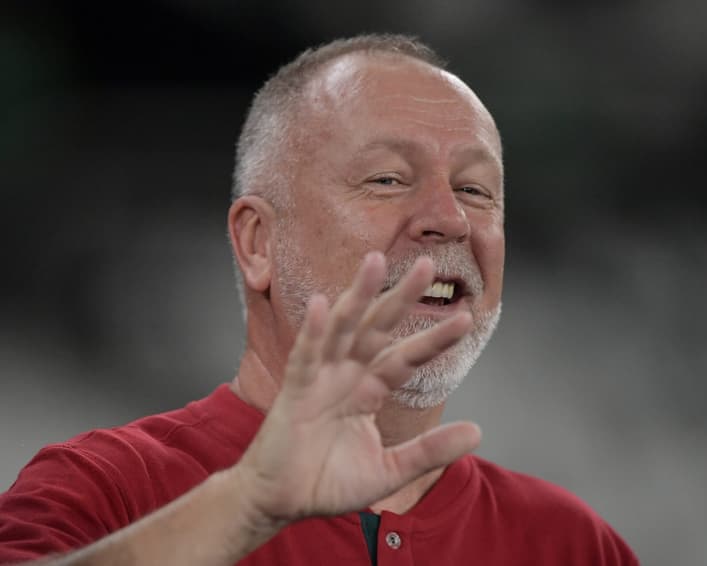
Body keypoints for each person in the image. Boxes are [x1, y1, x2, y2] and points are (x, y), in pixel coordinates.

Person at [0, 34, 639, 565]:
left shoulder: (573, 545)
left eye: (476, 190)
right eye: (387, 179)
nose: (450, 218)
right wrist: (245, 506)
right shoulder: (106, 489)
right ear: (258, 243)